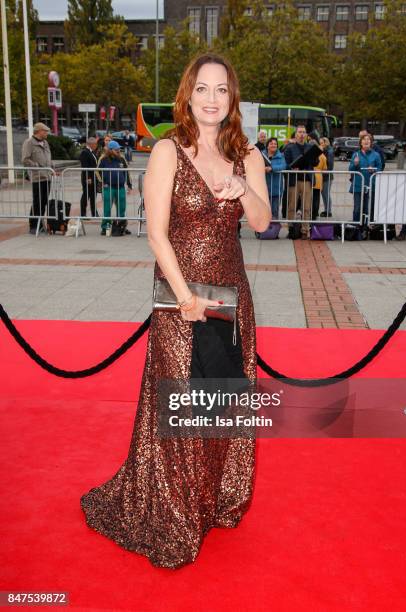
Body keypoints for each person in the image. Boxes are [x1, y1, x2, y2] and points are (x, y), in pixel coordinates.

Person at [80, 52, 271, 569]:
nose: (212, 99)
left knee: (221, 402)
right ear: (188, 94)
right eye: (203, 89)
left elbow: (262, 222)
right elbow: (157, 233)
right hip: (179, 296)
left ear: (232, 99)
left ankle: (211, 498)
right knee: (183, 403)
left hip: (231, 295)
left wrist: (245, 188)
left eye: (222, 90)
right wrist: (185, 296)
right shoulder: (168, 150)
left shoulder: (246, 154)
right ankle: (176, 510)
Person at [284, 124, 318, 240]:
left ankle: (305, 230)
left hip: (306, 180)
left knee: (306, 207)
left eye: (304, 132)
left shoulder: (310, 146)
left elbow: (316, 163)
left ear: (306, 134)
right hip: (294, 180)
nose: (302, 134)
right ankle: (291, 229)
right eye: (299, 132)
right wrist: (292, 168)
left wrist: (314, 157)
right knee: (292, 206)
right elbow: (286, 164)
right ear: (296, 134)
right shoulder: (289, 147)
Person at [22, 122, 53, 234]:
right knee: (37, 201)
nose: (47, 133)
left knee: (44, 201)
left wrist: (52, 167)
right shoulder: (29, 143)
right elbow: (25, 159)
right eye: (45, 131)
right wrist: (37, 167)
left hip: (47, 176)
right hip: (37, 177)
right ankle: (33, 225)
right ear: (39, 131)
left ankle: (40, 223)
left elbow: (48, 158)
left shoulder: (46, 143)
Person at [96, 140, 132, 235]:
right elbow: (97, 171)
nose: (118, 151)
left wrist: (129, 184)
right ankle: (105, 227)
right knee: (107, 208)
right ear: (110, 150)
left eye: (119, 149)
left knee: (121, 208)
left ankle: (121, 226)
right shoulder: (103, 159)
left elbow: (127, 171)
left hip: (120, 187)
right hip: (109, 187)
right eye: (116, 149)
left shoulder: (122, 158)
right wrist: (102, 183)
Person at [349, 133, 382, 229]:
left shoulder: (376, 155)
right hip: (358, 186)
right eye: (364, 139)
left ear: (371, 142)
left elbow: (380, 169)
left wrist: (374, 170)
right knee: (357, 208)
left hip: (371, 185)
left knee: (369, 208)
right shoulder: (356, 154)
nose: (366, 141)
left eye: (368, 139)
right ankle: (355, 228)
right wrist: (355, 164)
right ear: (361, 142)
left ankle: (367, 228)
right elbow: (350, 170)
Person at [262, 137, 286, 219]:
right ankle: (260, 230)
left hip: (276, 189)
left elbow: (283, 166)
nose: (273, 145)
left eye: (275, 144)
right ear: (267, 146)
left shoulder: (281, 156)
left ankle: (273, 231)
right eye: (271, 143)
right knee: (262, 211)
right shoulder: (261, 155)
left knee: (274, 212)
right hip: (263, 189)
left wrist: (272, 168)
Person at [79, 137, 99, 218]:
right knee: (85, 196)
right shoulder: (84, 152)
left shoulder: (92, 152)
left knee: (93, 196)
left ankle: (94, 213)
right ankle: (83, 213)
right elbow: (85, 167)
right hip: (88, 178)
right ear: (91, 144)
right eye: (95, 144)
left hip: (94, 177)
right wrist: (88, 178)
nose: (96, 146)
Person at [310, 140, 327, 220]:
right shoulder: (322, 156)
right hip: (319, 177)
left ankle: (308, 212)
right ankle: (315, 213)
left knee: (309, 197)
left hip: (309, 177)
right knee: (316, 197)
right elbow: (325, 168)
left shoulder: (309, 154)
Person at [319, 137, 334, 217]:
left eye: (322, 143)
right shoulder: (324, 151)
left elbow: (330, 166)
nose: (320, 145)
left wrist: (324, 171)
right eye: (320, 143)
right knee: (324, 194)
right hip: (323, 176)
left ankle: (328, 211)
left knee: (326, 194)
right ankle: (326, 210)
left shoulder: (329, 151)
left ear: (326, 143)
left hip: (327, 176)